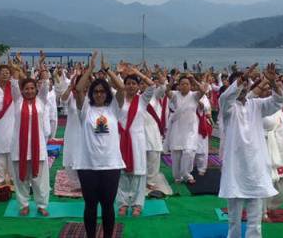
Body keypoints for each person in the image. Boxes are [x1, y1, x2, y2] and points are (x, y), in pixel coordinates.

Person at [219, 64, 283, 238]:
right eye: (240, 84)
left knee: (255, 218)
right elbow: (226, 98)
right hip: (236, 168)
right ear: (233, 87)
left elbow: (277, 102)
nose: (244, 86)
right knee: (234, 218)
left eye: (246, 84)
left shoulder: (257, 105)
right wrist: (240, 80)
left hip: (255, 166)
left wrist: (274, 83)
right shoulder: (228, 108)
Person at [74, 51, 125, 238]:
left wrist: (107, 70)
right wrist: (90, 68)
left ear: (107, 93)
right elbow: (79, 89)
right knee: (90, 205)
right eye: (95, 91)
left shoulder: (113, 108)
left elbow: (121, 89)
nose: (99, 94)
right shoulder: (85, 109)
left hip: (111, 164)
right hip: (88, 165)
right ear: (91, 94)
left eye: (102, 91)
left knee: (108, 205)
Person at [106, 60, 157, 217]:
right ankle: (122, 203)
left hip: (137, 141)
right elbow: (109, 85)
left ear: (138, 86)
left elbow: (152, 85)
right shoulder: (118, 98)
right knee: (121, 173)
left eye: (134, 84)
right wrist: (116, 72)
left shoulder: (142, 100)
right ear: (124, 85)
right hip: (121, 139)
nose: (131, 86)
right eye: (128, 83)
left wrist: (137, 72)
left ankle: (137, 204)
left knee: (138, 173)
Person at [11, 59, 52, 216]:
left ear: (36, 90)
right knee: (21, 180)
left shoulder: (41, 101)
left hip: (38, 148)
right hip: (19, 148)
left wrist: (42, 69)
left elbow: (46, 85)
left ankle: (42, 205)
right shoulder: (17, 101)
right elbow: (14, 83)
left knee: (39, 180)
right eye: (26, 89)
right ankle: (24, 205)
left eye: (32, 88)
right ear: (21, 91)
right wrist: (15, 69)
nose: (29, 91)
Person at [166, 73, 208, 184]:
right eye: (182, 84)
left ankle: (187, 174)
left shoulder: (194, 95)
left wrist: (193, 79)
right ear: (178, 85)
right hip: (177, 127)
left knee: (189, 151)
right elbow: (166, 91)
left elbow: (203, 90)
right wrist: (171, 81)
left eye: (187, 84)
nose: (184, 86)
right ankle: (177, 176)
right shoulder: (175, 95)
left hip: (190, 128)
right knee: (177, 153)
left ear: (190, 85)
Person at [0, 63, 21, 185]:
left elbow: (17, 88)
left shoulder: (13, 87)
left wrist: (16, 68)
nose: (6, 74)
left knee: (11, 151)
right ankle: (0, 178)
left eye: (8, 72)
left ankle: (12, 177)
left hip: (11, 123)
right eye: (3, 72)